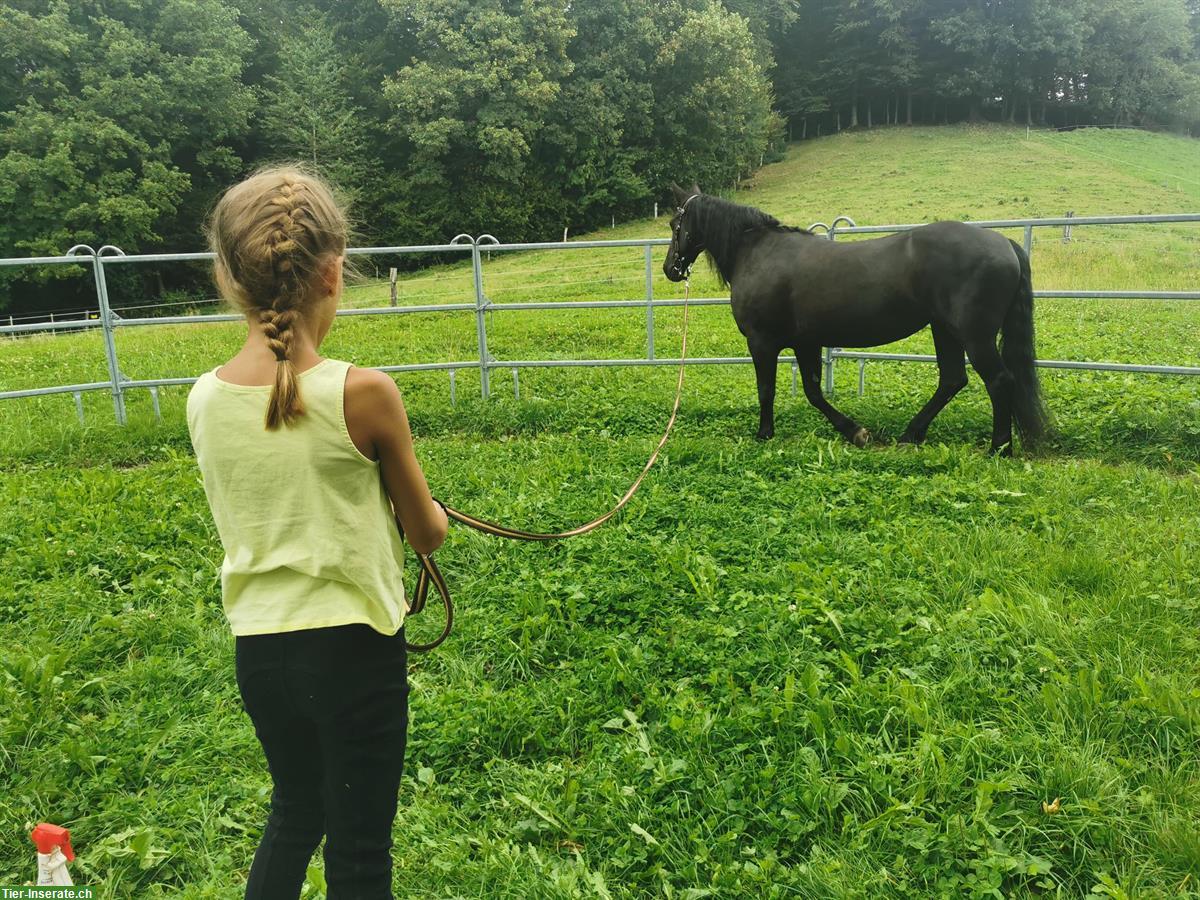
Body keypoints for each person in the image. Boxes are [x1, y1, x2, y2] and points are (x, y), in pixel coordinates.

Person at [186, 165, 447, 899]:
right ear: (333, 273)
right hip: (354, 650)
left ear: (228, 276)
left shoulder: (203, 400)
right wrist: (429, 517)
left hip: (261, 651)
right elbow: (425, 532)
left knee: (295, 812)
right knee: (361, 846)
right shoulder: (364, 392)